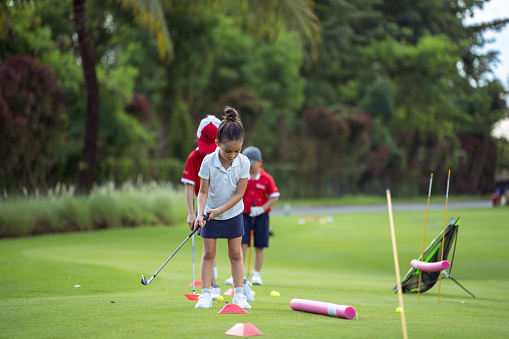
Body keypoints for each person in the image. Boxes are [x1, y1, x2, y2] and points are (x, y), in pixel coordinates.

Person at [194, 107, 253, 309]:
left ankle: (239, 294)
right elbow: (202, 192)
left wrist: (219, 211)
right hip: (209, 213)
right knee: (208, 254)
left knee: (235, 254)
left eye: (237, 150)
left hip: (233, 213)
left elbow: (239, 194)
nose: (232, 155)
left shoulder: (243, 162)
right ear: (217, 144)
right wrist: (199, 213)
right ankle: (205, 294)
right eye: (228, 151)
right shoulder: (208, 162)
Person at [224, 146, 279, 286]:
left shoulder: (266, 178)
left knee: (259, 245)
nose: (250, 165)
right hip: (243, 215)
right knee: (242, 243)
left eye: (253, 163)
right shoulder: (241, 175)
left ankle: (256, 274)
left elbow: (274, 197)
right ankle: (238, 275)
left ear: (260, 162)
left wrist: (262, 209)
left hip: (261, 216)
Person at [181, 115, 221, 300]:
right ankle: (213, 286)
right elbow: (190, 187)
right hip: (203, 203)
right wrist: (191, 213)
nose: (207, 153)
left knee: (226, 248)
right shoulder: (194, 157)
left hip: (221, 203)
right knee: (208, 247)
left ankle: (227, 284)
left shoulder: (222, 156)